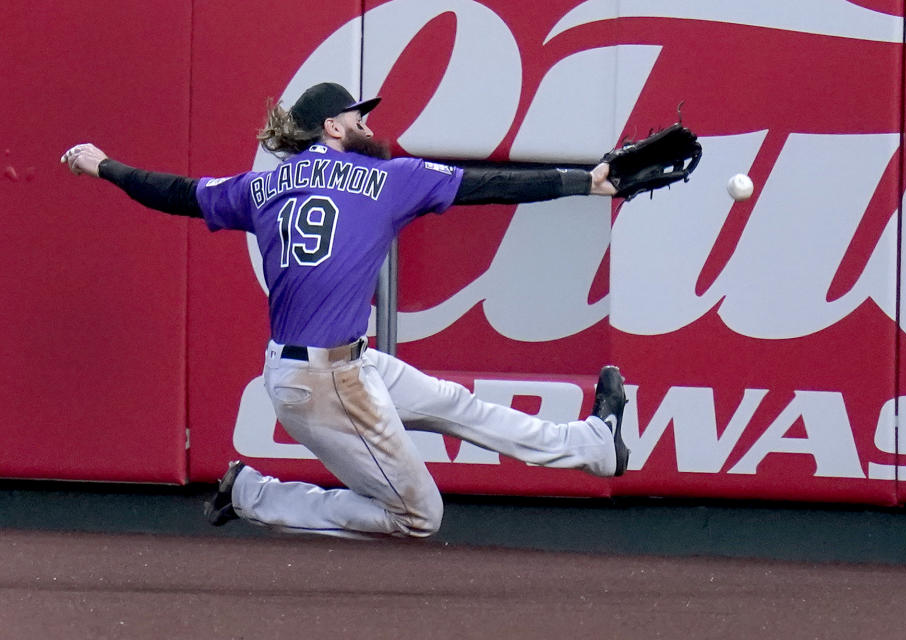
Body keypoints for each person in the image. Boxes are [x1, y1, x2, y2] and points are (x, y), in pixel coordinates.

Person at [61, 82, 630, 539]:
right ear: (332, 127)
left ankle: (593, 446)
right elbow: (486, 185)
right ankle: (253, 494)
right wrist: (586, 182)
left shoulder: (261, 187)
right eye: (359, 118)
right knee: (418, 517)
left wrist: (104, 166)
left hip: (334, 368)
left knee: (455, 405)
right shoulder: (386, 179)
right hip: (323, 383)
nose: (370, 126)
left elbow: (176, 193)